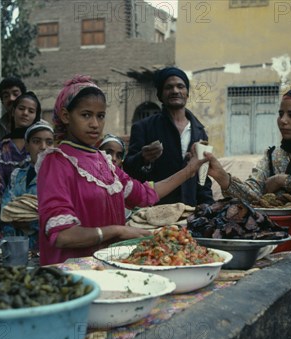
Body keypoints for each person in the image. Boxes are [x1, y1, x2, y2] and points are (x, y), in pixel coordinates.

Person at [36, 75, 209, 265]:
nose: (95, 124)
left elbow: (145, 194)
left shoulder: (104, 162)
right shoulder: (56, 162)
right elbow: (62, 235)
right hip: (73, 276)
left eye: (100, 116)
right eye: (86, 115)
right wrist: (117, 231)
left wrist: (190, 169)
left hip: (109, 269)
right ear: (65, 116)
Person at [123, 66, 214, 206]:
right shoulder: (143, 127)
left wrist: (208, 207)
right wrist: (142, 158)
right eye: (169, 87)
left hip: (189, 211)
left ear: (187, 93)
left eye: (180, 86)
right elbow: (128, 170)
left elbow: (203, 177)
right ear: (160, 95)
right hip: (156, 211)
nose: (175, 91)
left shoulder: (199, 131)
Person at [0, 120, 54, 253]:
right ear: (28, 146)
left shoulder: (59, 177)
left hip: (47, 250)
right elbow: (6, 210)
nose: (43, 147)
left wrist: (25, 218)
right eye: (36, 141)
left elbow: (56, 217)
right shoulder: (17, 175)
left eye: (49, 142)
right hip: (17, 247)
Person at [0, 91, 41, 211]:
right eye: (21, 108)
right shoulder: (1, 148)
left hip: (37, 208)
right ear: (13, 111)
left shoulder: (42, 145)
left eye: (31, 111)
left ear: (36, 116)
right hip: (7, 208)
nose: (25, 113)